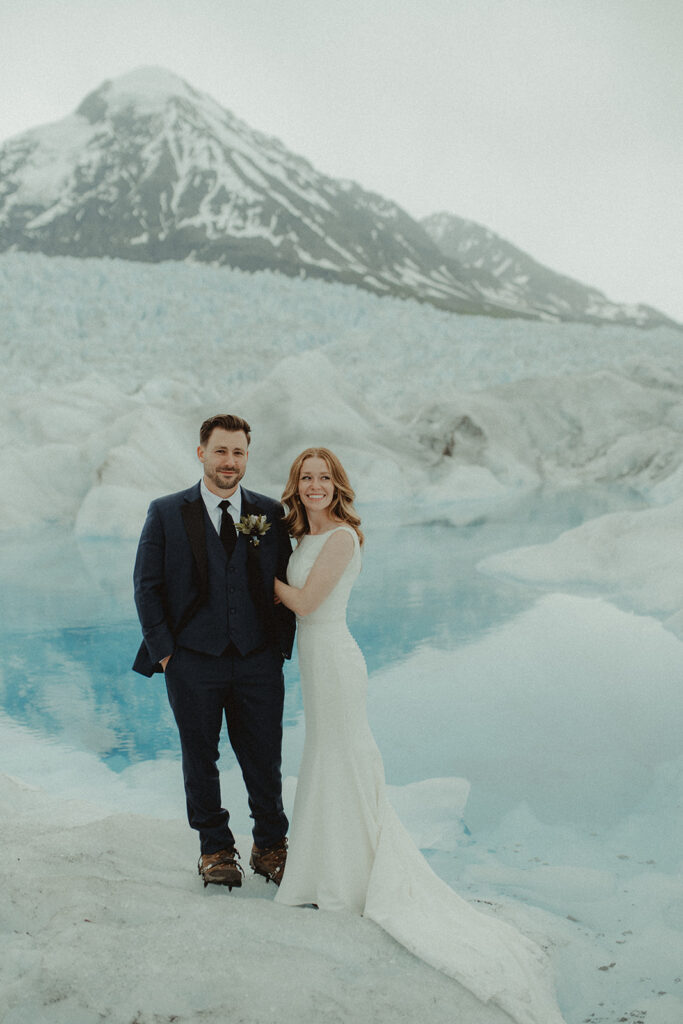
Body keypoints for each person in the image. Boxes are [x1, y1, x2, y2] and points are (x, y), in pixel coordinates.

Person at [272, 447, 566, 1024]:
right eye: (305, 478)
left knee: (343, 758)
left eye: (323, 477)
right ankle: (323, 867)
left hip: (334, 658)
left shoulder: (341, 540)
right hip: (315, 661)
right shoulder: (305, 535)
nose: (314, 486)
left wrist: (257, 580)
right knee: (325, 759)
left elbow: (306, 603)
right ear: (296, 485)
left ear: (338, 485)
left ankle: (348, 880)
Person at [132, 414, 295, 890]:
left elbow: (287, 577)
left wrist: (277, 648)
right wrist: (166, 655)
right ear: (201, 453)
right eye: (221, 451)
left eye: (238, 452)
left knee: (265, 757)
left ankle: (270, 846)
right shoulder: (165, 511)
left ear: (247, 455)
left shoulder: (269, 513)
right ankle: (215, 849)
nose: (230, 461)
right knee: (199, 756)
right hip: (191, 660)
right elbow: (146, 586)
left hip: (257, 660)